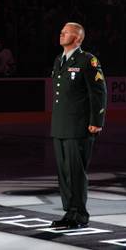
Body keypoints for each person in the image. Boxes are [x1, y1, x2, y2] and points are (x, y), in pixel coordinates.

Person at [50, 22, 107, 228]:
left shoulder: (87, 60)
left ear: (77, 38)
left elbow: (98, 93)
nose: (61, 33)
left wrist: (96, 121)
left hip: (78, 126)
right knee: (64, 172)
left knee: (75, 171)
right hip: (60, 126)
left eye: (66, 32)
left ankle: (80, 214)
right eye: (61, 30)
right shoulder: (59, 60)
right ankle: (69, 212)